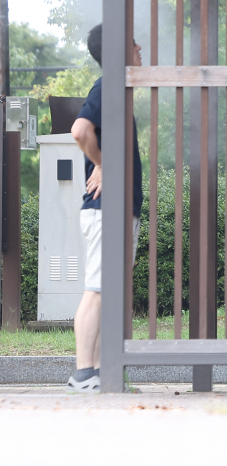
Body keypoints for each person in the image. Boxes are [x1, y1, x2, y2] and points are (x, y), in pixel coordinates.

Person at [68, 24, 145, 393]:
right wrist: (105, 164)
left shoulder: (117, 92)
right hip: (105, 209)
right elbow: (80, 130)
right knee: (98, 290)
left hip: (114, 209)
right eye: (133, 44)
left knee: (107, 291)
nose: (140, 48)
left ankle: (98, 372)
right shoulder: (107, 86)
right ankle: (83, 372)